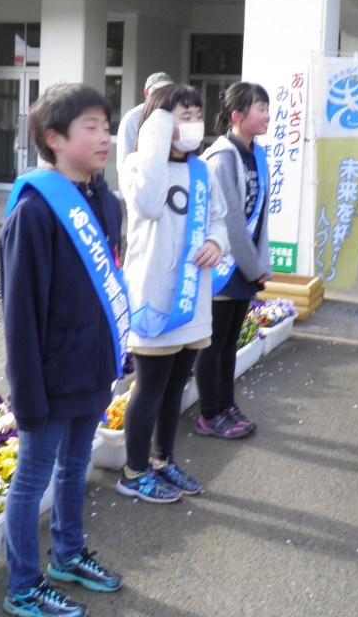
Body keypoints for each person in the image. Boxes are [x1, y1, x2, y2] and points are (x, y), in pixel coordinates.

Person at [0, 84, 124, 617]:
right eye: (91, 127)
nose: (105, 137)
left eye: (107, 126)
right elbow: (19, 313)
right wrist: (27, 393)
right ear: (54, 139)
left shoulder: (109, 203)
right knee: (31, 481)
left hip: (91, 370)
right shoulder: (35, 210)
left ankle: (68, 555)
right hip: (49, 379)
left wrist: (116, 355)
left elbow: (112, 281)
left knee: (75, 467)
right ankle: (23, 584)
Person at [118, 84, 229, 501]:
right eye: (183, 116)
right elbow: (148, 204)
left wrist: (216, 242)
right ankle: (133, 472)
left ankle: (163, 461)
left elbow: (218, 219)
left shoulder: (202, 170)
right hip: (156, 298)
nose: (194, 123)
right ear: (158, 124)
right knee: (150, 387)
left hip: (193, 300)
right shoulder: (138, 165)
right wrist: (155, 137)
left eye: (197, 115)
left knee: (176, 387)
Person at [196, 82, 272, 438]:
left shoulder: (257, 154)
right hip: (225, 267)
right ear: (238, 115)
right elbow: (231, 223)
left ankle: (226, 405)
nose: (268, 115)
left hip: (245, 267)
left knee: (230, 344)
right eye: (261, 108)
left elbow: (261, 218)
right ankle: (209, 414)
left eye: (267, 108)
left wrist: (261, 263)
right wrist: (255, 268)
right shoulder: (222, 158)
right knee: (214, 345)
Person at [115, 71, 175, 182]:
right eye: (159, 91)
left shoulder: (175, 114)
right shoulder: (132, 118)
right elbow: (124, 161)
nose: (164, 95)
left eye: (168, 91)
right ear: (147, 93)